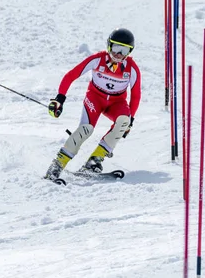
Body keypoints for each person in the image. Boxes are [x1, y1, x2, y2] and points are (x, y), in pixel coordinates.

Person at [44, 27, 141, 181]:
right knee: (85, 130)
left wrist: (131, 120)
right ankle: (57, 165)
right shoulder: (98, 59)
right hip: (95, 98)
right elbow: (71, 75)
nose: (119, 54)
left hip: (116, 103)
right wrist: (59, 99)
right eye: (116, 48)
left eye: (124, 50)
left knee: (124, 121)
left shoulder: (131, 68)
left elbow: (136, 95)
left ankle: (94, 161)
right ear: (109, 46)